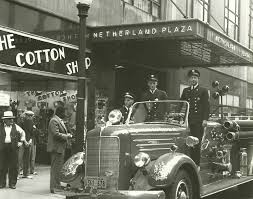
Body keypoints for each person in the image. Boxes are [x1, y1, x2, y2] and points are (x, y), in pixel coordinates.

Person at [180, 69, 210, 168]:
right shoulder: (186, 90)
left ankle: (196, 164)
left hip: (198, 121)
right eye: (192, 77)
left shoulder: (203, 91)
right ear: (189, 79)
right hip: (187, 121)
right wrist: (178, 115)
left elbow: (206, 106)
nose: (193, 79)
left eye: (195, 77)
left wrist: (205, 119)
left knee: (195, 143)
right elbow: (181, 105)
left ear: (198, 79)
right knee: (185, 143)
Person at [47, 106, 72, 193]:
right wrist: (67, 136)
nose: (65, 114)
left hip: (59, 148)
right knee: (55, 169)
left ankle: (56, 185)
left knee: (58, 168)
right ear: (60, 112)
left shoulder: (57, 120)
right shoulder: (54, 120)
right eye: (64, 112)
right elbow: (56, 134)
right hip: (56, 148)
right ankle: (54, 187)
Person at [0, 111, 25, 189]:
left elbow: (23, 133)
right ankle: (1, 183)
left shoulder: (16, 126)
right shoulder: (0, 126)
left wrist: (21, 142)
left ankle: (12, 183)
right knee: (2, 166)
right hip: (2, 149)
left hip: (13, 149)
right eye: (9, 119)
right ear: (4, 120)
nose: (11, 120)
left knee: (13, 166)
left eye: (11, 119)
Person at [20, 110, 35, 179]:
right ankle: (17, 173)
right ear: (25, 115)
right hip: (22, 141)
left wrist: (30, 141)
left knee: (27, 158)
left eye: (31, 116)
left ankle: (26, 173)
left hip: (28, 141)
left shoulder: (31, 123)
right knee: (19, 158)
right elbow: (20, 133)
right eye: (28, 115)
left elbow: (32, 133)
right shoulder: (21, 122)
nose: (29, 117)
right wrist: (25, 141)